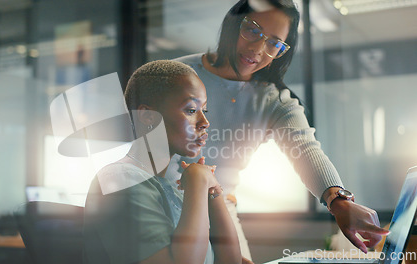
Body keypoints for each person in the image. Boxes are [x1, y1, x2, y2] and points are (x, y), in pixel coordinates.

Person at [170, 0, 389, 260]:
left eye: (274, 43)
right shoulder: (177, 75)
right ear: (232, 24)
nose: (257, 49)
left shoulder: (273, 99)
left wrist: (338, 201)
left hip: (219, 205)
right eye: (253, 30)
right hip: (163, 199)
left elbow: (305, 148)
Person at [83, 60, 244, 264]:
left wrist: (213, 192)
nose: (205, 122)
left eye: (205, 110)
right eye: (191, 110)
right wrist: (198, 181)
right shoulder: (120, 180)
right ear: (148, 117)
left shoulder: (172, 188)